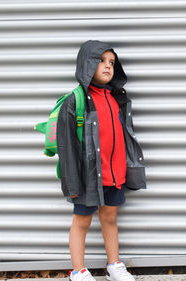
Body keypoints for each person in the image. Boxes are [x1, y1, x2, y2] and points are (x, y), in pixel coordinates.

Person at [57, 40, 146, 281]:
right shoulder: (75, 101)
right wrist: (72, 183)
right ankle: (78, 270)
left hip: (113, 173)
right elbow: (66, 146)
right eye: (101, 61)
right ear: (86, 64)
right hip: (88, 176)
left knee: (110, 218)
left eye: (112, 63)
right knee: (82, 221)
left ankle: (114, 265)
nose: (107, 66)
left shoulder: (116, 98)